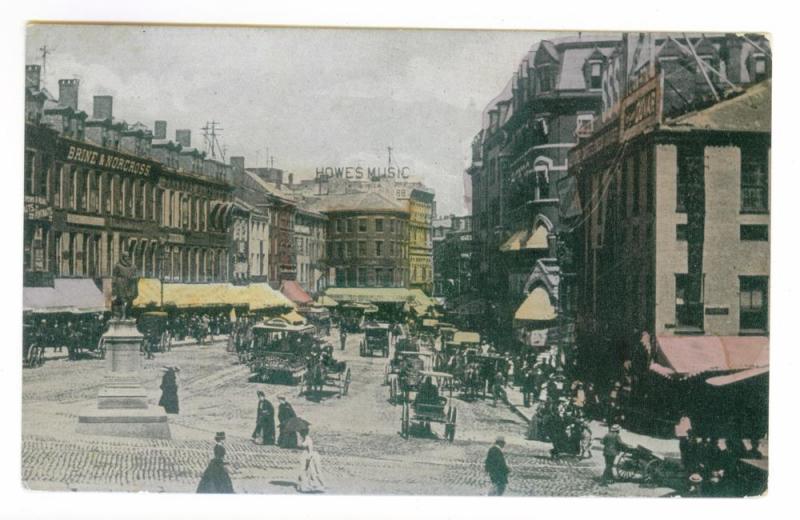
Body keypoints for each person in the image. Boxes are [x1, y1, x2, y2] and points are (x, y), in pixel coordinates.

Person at [296, 428, 326, 493]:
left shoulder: (308, 439)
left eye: (301, 432)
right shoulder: (305, 439)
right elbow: (299, 445)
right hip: (305, 456)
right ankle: (305, 485)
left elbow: (310, 450)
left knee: (309, 471)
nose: (301, 434)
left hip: (308, 457)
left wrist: (308, 459)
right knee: (306, 471)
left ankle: (314, 485)